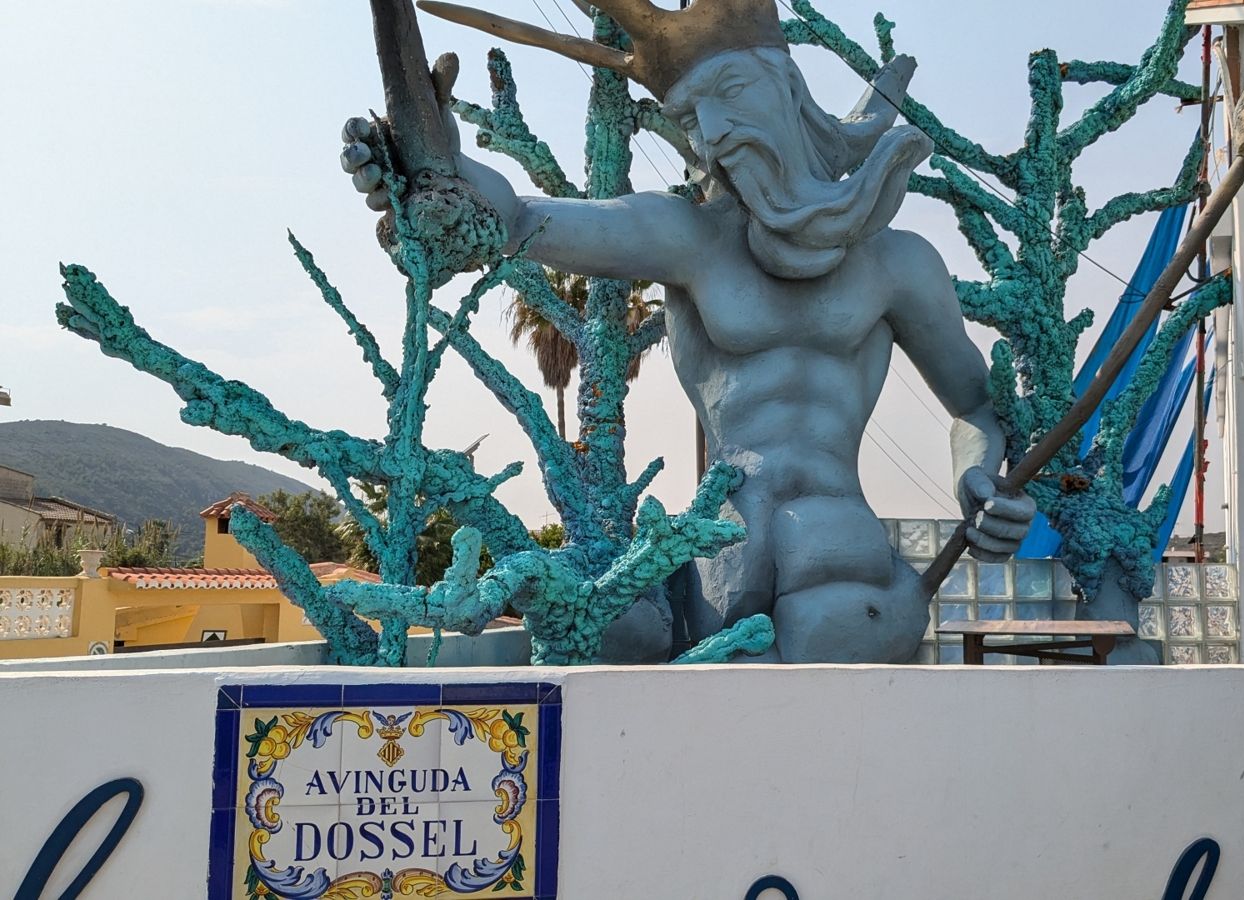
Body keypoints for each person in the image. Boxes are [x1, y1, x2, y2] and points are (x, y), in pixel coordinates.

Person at [342, 0, 1034, 662]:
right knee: (607, 629)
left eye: (729, 92)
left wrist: (976, 477)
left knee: (829, 629)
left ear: (787, 94)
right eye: (688, 115)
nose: (711, 130)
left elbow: (975, 407)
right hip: (721, 552)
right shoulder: (688, 238)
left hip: (841, 554)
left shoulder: (899, 264)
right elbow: (520, 219)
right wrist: (443, 172)